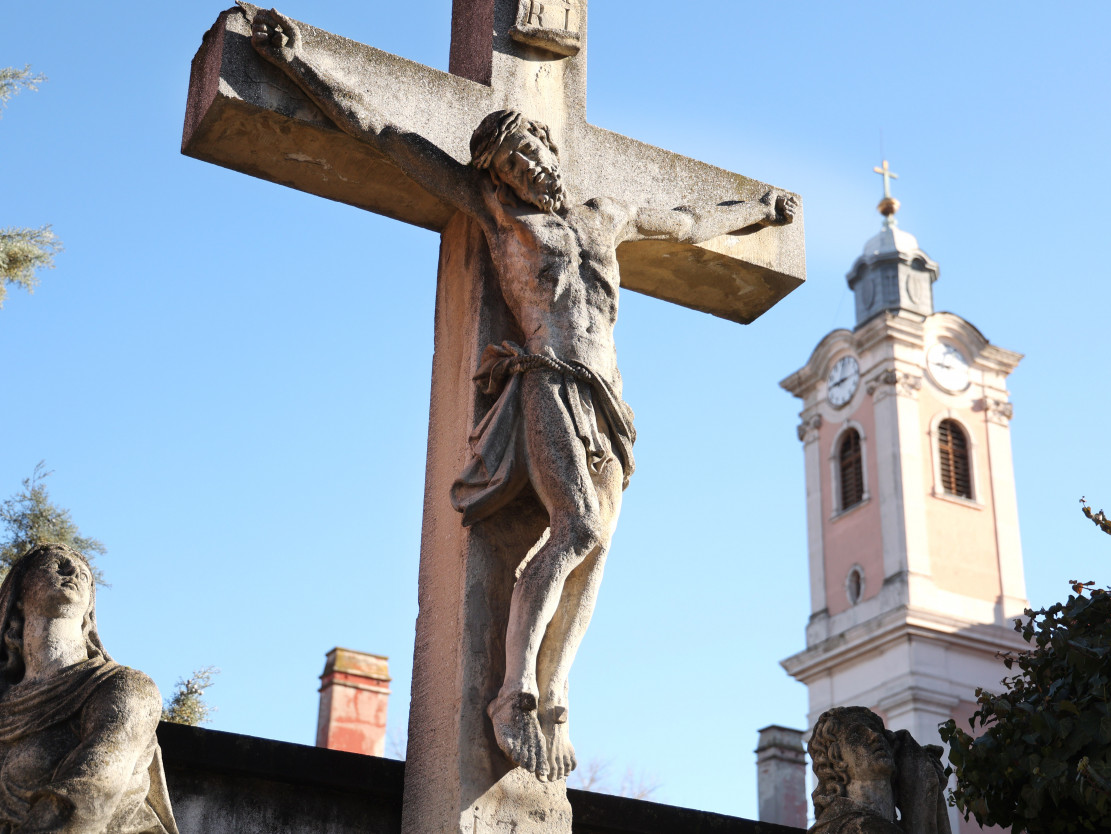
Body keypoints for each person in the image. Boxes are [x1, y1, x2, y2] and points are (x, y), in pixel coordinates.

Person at [250, 8, 798, 783]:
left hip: (609, 400)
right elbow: (381, 132)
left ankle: (557, 691)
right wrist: (300, 62)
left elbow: (688, 221)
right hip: (546, 382)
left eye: (528, 152)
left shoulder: (606, 216)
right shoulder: (499, 218)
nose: (527, 168)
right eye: (508, 164)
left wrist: (758, 211)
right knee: (574, 529)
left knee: (597, 548)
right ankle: (515, 692)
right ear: (496, 178)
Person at [0, 544, 178, 834]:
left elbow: (92, 790)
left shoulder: (126, 688)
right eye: (56, 563)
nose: (74, 571)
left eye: (84, 573)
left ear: (89, 610)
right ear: (19, 594)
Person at [808, 707, 951, 834]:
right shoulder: (856, 827)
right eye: (857, 733)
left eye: (875, 729)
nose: (874, 735)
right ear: (836, 759)